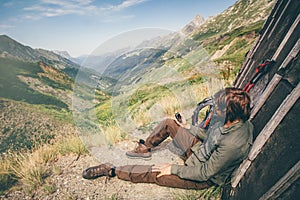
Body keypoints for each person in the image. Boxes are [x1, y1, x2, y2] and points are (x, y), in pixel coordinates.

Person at [82, 87, 253, 190]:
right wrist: (188, 128)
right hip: (199, 151)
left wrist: (173, 169)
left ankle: (112, 170)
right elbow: (211, 136)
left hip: (202, 175)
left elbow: (205, 173)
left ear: (227, 112)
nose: (214, 108)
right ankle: (144, 148)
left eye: (217, 107)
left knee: (155, 173)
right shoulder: (233, 120)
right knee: (170, 123)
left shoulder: (234, 144)